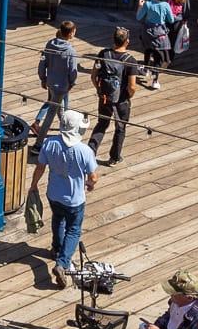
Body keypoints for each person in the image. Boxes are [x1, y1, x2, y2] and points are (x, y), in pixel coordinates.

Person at [29, 110, 98, 276]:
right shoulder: (85, 151)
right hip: (75, 198)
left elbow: (40, 167)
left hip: (53, 193)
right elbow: (93, 177)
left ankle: (56, 249)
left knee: (58, 219)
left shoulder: (49, 143)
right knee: (73, 229)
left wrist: (33, 185)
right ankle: (63, 263)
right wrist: (90, 184)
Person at [89, 29, 143, 162]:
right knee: (120, 128)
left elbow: (93, 75)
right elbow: (132, 86)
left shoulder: (103, 54)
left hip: (105, 96)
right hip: (121, 100)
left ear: (113, 40)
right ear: (127, 41)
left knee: (101, 123)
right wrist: (129, 96)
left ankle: (90, 152)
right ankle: (114, 157)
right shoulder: (130, 60)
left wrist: (99, 89)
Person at [34, 21, 81, 142]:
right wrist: (72, 83)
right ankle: (38, 144)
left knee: (60, 109)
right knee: (51, 115)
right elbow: (73, 71)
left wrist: (43, 78)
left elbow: (42, 63)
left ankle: (66, 132)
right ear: (71, 33)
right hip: (62, 86)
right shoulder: (70, 51)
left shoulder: (49, 44)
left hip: (50, 82)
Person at [136, 0, 176, 89]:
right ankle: (155, 80)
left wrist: (140, 6)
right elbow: (171, 20)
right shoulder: (165, 5)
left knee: (148, 50)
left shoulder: (147, 4)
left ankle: (145, 70)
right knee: (158, 58)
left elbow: (139, 17)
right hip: (160, 33)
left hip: (147, 32)